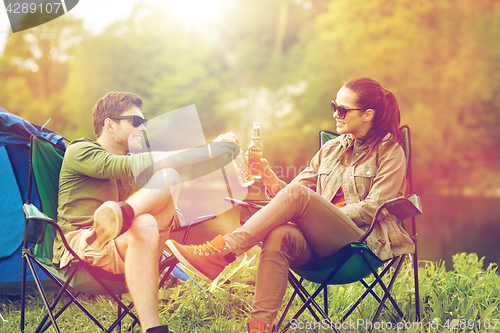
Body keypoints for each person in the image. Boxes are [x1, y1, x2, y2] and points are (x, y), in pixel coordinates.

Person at [166, 78, 416, 333]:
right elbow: (292, 196)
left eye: (342, 110)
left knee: (299, 199)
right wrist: (269, 177)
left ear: (367, 115)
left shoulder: (390, 152)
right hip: (322, 243)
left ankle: (222, 251)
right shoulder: (330, 150)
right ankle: (260, 326)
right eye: (334, 106)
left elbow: (373, 208)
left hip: (361, 243)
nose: (335, 114)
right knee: (280, 234)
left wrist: (322, 215)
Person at [53, 91, 238, 333]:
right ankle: (113, 221)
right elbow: (124, 166)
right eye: (136, 122)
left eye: (144, 123)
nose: (143, 128)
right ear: (109, 124)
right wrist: (207, 150)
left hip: (123, 243)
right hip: (82, 246)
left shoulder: (135, 166)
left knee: (160, 195)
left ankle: (122, 215)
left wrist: (222, 152)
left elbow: (179, 169)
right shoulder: (80, 151)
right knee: (159, 191)